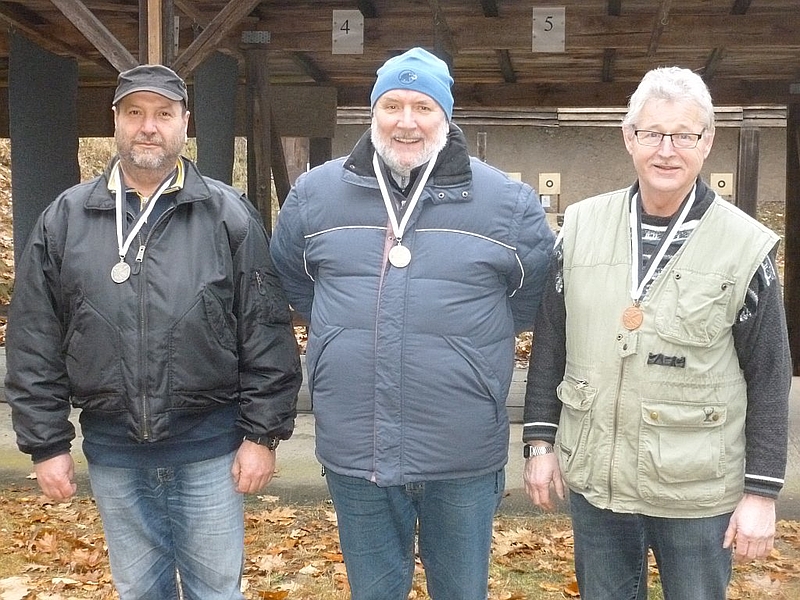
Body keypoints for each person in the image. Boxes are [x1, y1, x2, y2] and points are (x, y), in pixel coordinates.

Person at [5, 64, 303, 600]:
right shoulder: (65, 218)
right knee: (140, 591)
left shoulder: (227, 215)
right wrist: (46, 442)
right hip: (114, 453)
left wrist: (261, 435)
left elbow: (266, 331)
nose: (149, 126)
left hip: (210, 451)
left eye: (164, 114)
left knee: (217, 592)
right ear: (115, 121)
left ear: (184, 123)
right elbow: (34, 338)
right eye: (135, 113)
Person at [269, 47, 554, 599]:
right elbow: (298, 287)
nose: (406, 122)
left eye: (422, 107)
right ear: (371, 112)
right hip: (357, 448)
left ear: (446, 115)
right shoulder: (314, 196)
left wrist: (465, 353)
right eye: (391, 105)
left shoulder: (507, 205)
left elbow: (529, 303)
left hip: (461, 450)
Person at [522, 66, 791, 600]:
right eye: (652, 133)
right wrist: (539, 442)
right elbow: (550, 343)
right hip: (599, 484)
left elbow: (769, 376)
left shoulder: (745, 246)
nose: (667, 150)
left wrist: (761, 492)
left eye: (684, 135)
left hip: (697, 493)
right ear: (629, 137)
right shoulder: (579, 228)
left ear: (707, 142)